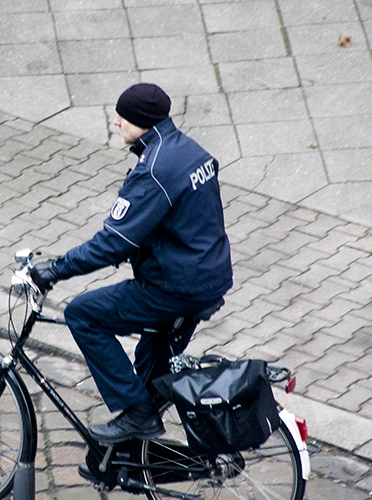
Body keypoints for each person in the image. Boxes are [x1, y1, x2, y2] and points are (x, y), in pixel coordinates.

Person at [31, 83, 233, 446]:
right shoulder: (190, 151)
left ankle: (138, 417)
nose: (114, 122)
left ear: (140, 122)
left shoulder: (154, 170)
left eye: (121, 117)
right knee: (150, 372)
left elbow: (113, 242)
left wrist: (56, 269)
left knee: (83, 314)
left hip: (176, 286)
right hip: (209, 274)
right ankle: (139, 452)